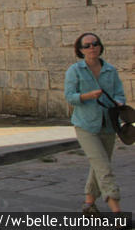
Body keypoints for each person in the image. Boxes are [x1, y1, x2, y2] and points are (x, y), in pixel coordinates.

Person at [64, 32, 126, 215]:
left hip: (108, 124)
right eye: (87, 45)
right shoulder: (74, 71)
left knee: (99, 164)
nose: (92, 48)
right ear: (80, 50)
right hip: (86, 125)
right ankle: (117, 212)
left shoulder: (110, 70)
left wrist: (119, 102)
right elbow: (69, 96)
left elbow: (119, 93)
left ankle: (89, 203)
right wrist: (87, 96)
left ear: (100, 46)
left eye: (95, 44)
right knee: (104, 168)